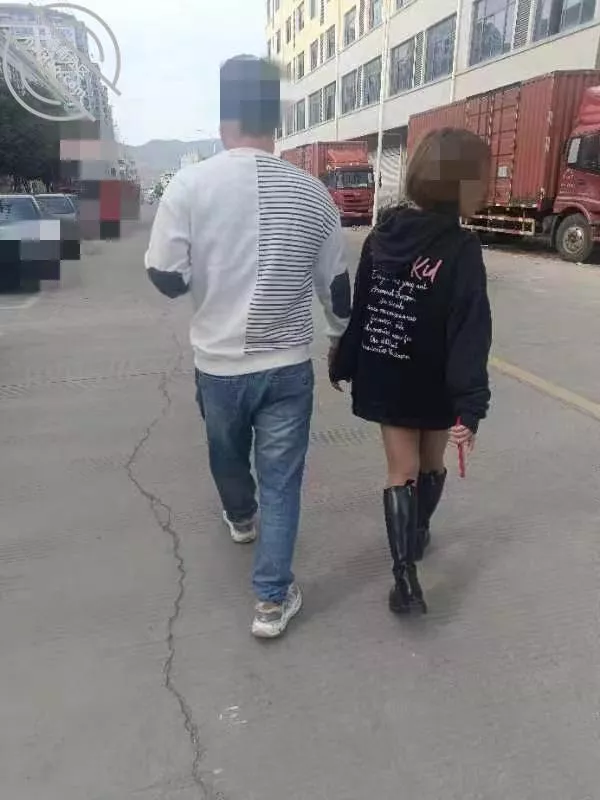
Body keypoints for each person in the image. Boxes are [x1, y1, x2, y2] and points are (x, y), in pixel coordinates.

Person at [145, 55, 350, 639]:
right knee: (282, 483)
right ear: (275, 120)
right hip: (287, 366)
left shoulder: (189, 185)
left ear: (224, 118)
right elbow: (337, 289)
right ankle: (271, 601)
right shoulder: (314, 193)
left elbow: (166, 276)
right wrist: (338, 339)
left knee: (226, 454)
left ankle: (240, 517)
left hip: (218, 365)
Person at [330, 127, 492, 615]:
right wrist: (470, 405)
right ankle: (417, 532)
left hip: (388, 372)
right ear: (460, 183)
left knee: (400, 470)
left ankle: (404, 577)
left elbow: (363, 308)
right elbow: (470, 331)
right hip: (434, 381)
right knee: (431, 465)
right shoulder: (461, 247)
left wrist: (346, 359)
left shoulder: (381, 236)